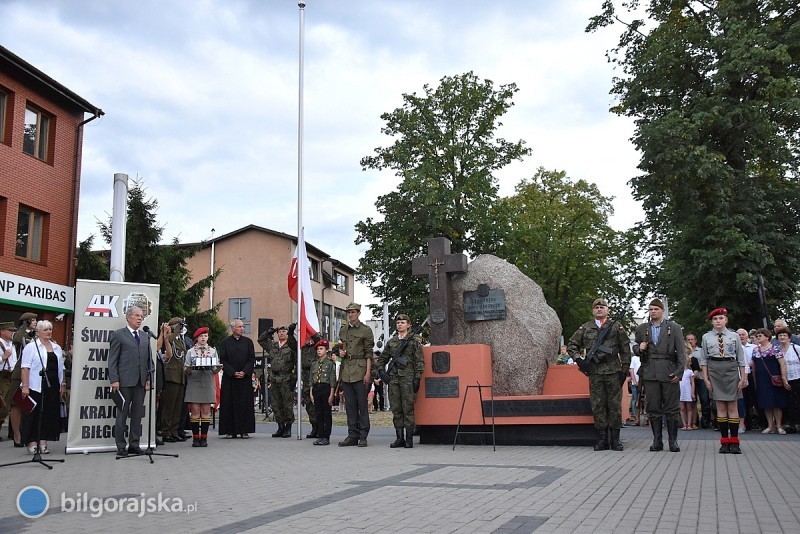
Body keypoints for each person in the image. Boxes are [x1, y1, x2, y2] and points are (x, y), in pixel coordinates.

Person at [567, 298, 631, 451]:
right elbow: (571, 345)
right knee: (598, 405)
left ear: (607, 310)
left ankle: (615, 439)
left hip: (613, 371)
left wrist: (624, 370)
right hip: (595, 372)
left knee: (614, 406)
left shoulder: (616, 327)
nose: (599, 309)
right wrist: (579, 360)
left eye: (602, 307)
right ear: (593, 311)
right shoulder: (586, 328)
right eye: (596, 307)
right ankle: (602, 439)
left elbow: (625, 349)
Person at [633, 299, 685, 452]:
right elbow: (634, 348)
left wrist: (679, 372)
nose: (653, 311)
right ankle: (657, 440)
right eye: (650, 309)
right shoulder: (642, 328)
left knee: (671, 408)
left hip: (669, 371)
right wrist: (639, 348)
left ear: (662, 311)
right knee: (653, 408)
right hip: (649, 372)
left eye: (656, 309)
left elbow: (681, 352)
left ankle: (673, 441)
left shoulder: (673, 327)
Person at [700, 308, 746, 454]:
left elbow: (740, 358)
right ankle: (724, 442)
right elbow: (704, 360)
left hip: (731, 370)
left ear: (726, 320)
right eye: (715, 319)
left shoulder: (734, 336)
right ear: (712, 322)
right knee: (720, 406)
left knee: (732, 406)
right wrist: (706, 379)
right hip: (715, 370)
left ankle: (735, 442)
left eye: (721, 318)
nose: (718, 321)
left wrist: (743, 377)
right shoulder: (706, 337)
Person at [108, 306, 152, 456]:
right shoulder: (119, 335)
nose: (140, 318)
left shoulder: (145, 336)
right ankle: (121, 446)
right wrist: (114, 379)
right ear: (128, 317)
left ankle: (134, 444)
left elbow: (148, 360)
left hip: (140, 381)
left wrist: (148, 378)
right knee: (122, 414)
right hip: (124, 381)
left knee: (137, 415)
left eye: (141, 316)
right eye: (137, 316)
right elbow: (112, 359)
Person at [377, 314, 425, 449]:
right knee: (396, 409)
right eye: (398, 322)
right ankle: (399, 438)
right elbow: (382, 359)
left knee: (408, 409)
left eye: (403, 322)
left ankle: (409, 439)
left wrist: (417, 377)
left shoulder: (414, 341)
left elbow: (419, 361)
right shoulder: (392, 342)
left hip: (408, 379)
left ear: (408, 325)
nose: (400, 325)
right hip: (394, 379)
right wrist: (381, 371)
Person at [19, 320, 65, 454]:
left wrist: (62, 384)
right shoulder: (32, 347)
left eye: (50, 329)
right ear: (37, 332)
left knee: (49, 413)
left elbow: (60, 368)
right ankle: (32, 441)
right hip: (35, 385)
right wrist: (25, 386)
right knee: (34, 414)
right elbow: (25, 368)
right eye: (45, 330)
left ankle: (43, 440)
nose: (49, 332)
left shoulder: (56, 347)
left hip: (52, 384)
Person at [337, 303, 375, 447]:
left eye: (353, 312)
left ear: (358, 313)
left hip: (360, 370)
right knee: (350, 405)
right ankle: (352, 435)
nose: (350, 314)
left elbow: (368, 354)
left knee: (362, 405)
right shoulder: (343, 330)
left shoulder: (365, 330)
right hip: (347, 370)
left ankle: (363, 435)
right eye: (349, 312)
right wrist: (340, 353)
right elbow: (341, 348)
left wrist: (367, 373)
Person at [183, 327, 221, 447]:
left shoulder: (213, 351)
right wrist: (190, 368)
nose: (203, 338)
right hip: (194, 381)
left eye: (205, 336)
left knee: (205, 411)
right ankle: (195, 438)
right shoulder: (191, 352)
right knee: (195, 411)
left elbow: (215, 370)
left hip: (207, 381)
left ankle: (204, 438)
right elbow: (185, 369)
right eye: (201, 336)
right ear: (197, 338)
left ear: (208, 338)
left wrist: (219, 367)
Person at [218, 320, 256, 439]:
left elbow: (251, 359)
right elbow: (223, 359)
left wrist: (244, 372)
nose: (242, 329)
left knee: (245, 404)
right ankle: (229, 430)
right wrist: (233, 372)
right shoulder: (225, 342)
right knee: (229, 403)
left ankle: (244, 430)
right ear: (233, 329)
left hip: (244, 378)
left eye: (243, 327)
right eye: (239, 327)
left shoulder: (248, 342)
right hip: (230, 378)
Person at [260, 325, 297, 438]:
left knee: (287, 404)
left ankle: (288, 428)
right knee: (276, 404)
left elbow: (296, 362)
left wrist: (294, 378)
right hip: (274, 378)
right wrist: (267, 332)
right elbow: (261, 340)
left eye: (284, 331)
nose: (281, 333)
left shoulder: (291, 346)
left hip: (286, 378)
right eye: (279, 331)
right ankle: (280, 427)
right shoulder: (273, 345)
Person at [7, 312, 37, 445]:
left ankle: (28, 434)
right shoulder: (20, 334)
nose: (36, 322)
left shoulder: (37, 335)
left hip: (34, 373)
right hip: (19, 373)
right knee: (16, 404)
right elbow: (17, 339)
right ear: (26, 322)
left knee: (30, 404)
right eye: (33, 320)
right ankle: (16, 436)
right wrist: (23, 327)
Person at [160, 317, 188, 443]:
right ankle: (166, 431)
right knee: (169, 406)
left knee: (178, 406)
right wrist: (174, 330)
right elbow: (167, 344)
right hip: (171, 375)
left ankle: (174, 430)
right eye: (179, 326)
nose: (181, 328)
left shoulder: (179, 340)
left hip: (180, 375)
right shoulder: (168, 337)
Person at [309, 339, 337, 445]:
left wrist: (331, 394)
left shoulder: (330, 364)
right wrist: (311, 392)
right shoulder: (314, 364)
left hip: (326, 389)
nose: (319, 351)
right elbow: (311, 379)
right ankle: (320, 435)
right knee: (318, 413)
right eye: (318, 349)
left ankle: (326, 436)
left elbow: (332, 380)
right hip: (316, 388)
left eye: (321, 349)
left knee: (326, 413)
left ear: (326, 350)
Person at [774, 326, 799, 432]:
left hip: (797, 377)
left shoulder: (796, 348)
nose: (783, 337)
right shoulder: (776, 350)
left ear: (789, 338)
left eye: (785, 335)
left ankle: (797, 423)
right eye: (780, 335)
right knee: (786, 402)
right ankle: (789, 424)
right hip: (783, 379)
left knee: (797, 401)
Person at [686, 333, 711, 428]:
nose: (690, 341)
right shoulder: (684, 352)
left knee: (704, 399)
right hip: (688, 380)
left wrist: (695, 367)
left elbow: (705, 364)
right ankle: (693, 421)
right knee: (691, 400)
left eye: (692, 339)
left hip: (700, 378)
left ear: (695, 340)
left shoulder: (701, 351)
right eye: (688, 339)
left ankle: (706, 420)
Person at [300, 333, 322, 438]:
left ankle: (320, 427)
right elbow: (292, 345)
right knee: (309, 404)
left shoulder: (317, 347)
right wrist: (291, 333)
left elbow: (318, 340)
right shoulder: (303, 348)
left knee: (317, 404)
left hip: (316, 378)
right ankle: (314, 427)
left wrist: (310, 331)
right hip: (306, 379)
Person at [0, 321, 18, 442]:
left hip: (10, 377)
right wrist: (3, 357)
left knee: (6, 406)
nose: (12, 332)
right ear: (2, 331)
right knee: (2, 405)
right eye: (10, 330)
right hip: (1, 377)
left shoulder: (11, 345)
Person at [736, 328, 756, 433]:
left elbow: (746, 364)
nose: (741, 336)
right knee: (738, 401)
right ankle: (738, 424)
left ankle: (746, 424)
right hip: (733, 378)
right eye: (738, 334)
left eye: (743, 334)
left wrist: (745, 378)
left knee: (745, 401)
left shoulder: (751, 347)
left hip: (746, 376)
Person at [679, 353, 696, 430]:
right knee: (682, 408)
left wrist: (692, 393)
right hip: (681, 392)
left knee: (689, 408)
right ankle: (684, 424)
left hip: (688, 391)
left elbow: (692, 382)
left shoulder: (690, 372)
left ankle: (689, 424)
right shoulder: (679, 371)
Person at [628, 352, 641, 425]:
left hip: (643, 382)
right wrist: (634, 380)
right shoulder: (634, 358)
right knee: (634, 400)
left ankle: (644, 417)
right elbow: (631, 370)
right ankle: (634, 415)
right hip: (635, 382)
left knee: (644, 401)